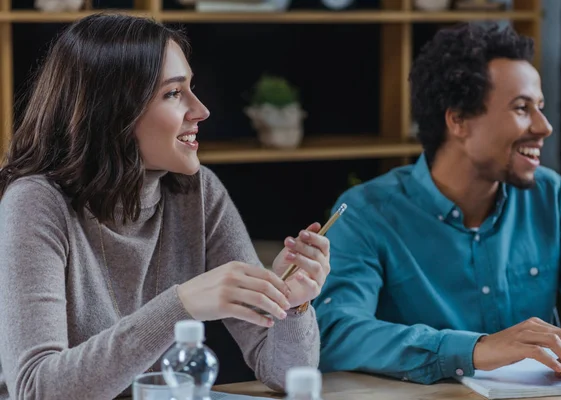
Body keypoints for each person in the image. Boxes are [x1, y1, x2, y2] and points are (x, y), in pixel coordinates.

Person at [0, 13, 331, 400]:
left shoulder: (199, 192)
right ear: (113, 110)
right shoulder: (35, 203)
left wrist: (291, 304)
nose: (201, 110)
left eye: (191, 88)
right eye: (174, 94)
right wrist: (180, 304)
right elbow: (37, 390)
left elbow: (288, 375)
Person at [313, 22, 561, 384]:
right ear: (459, 120)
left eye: (540, 107)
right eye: (522, 108)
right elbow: (336, 335)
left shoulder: (551, 198)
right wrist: (476, 350)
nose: (545, 127)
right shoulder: (367, 214)